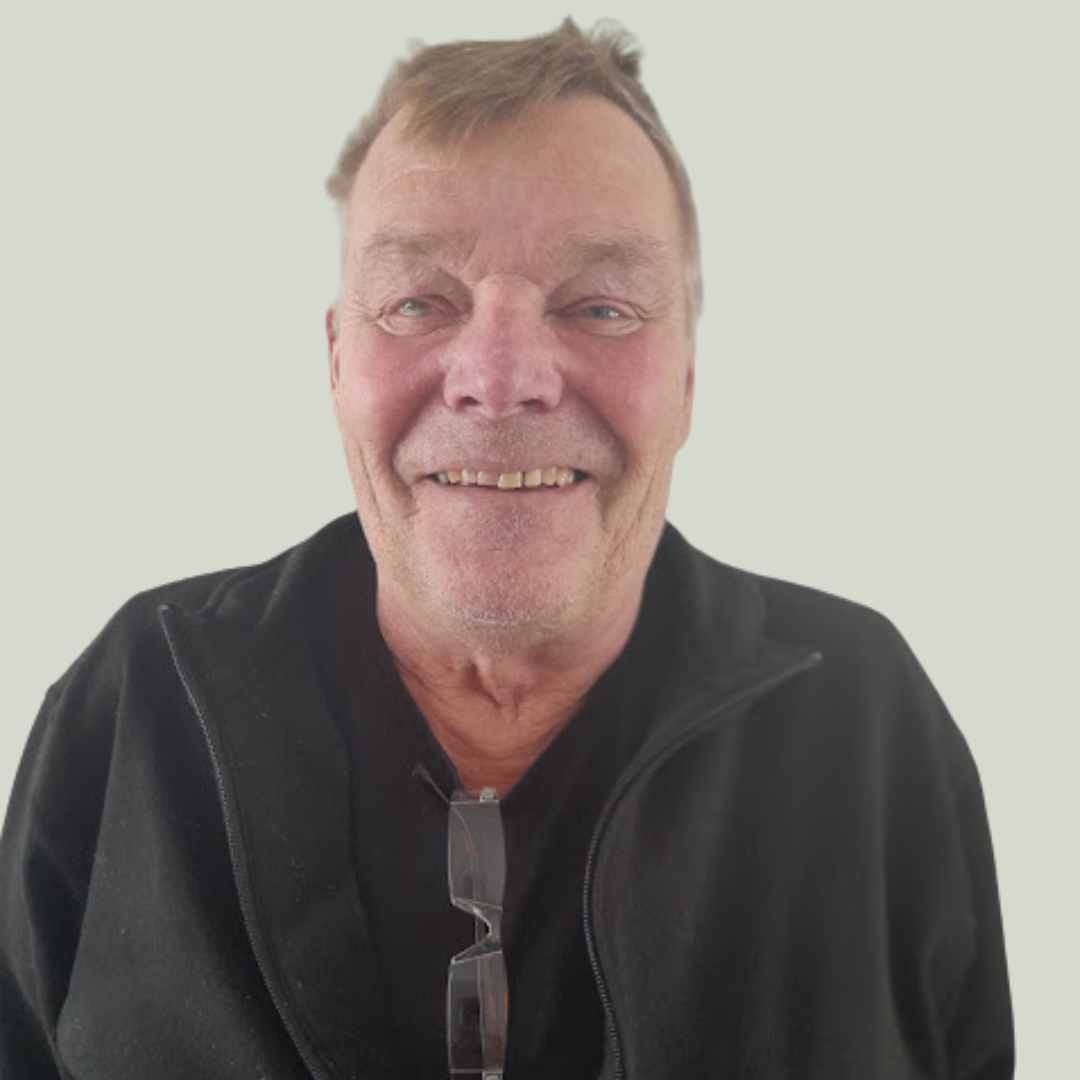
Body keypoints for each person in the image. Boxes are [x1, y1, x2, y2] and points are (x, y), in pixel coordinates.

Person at [0, 18, 1013, 1080]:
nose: (498, 376)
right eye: (417, 302)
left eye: (600, 306)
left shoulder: (866, 720)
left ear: (686, 380)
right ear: (336, 360)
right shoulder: (138, 704)